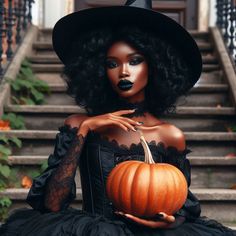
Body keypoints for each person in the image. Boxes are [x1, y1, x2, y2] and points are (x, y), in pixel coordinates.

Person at [1, 0, 236, 235]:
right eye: (112, 63)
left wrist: (169, 222)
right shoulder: (79, 125)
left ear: (155, 66)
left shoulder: (169, 135)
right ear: (98, 70)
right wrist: (85, 129)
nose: (123, 71)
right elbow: (52, 204)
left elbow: (179, 204)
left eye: (134, 61)